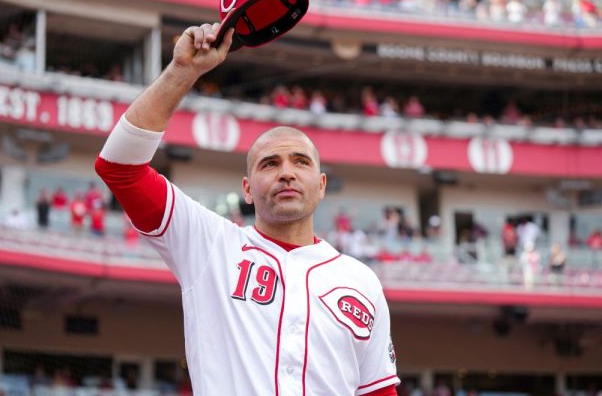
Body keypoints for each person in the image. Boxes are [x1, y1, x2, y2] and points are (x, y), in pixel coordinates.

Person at [95, 22, 399, 395]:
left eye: (301, 162)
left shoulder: (361, 281)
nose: (286, 173)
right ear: (248, 189)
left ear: (321, 187)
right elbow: (120, 169)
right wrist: (183, 71)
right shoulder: (209, 245)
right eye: (269, 164)